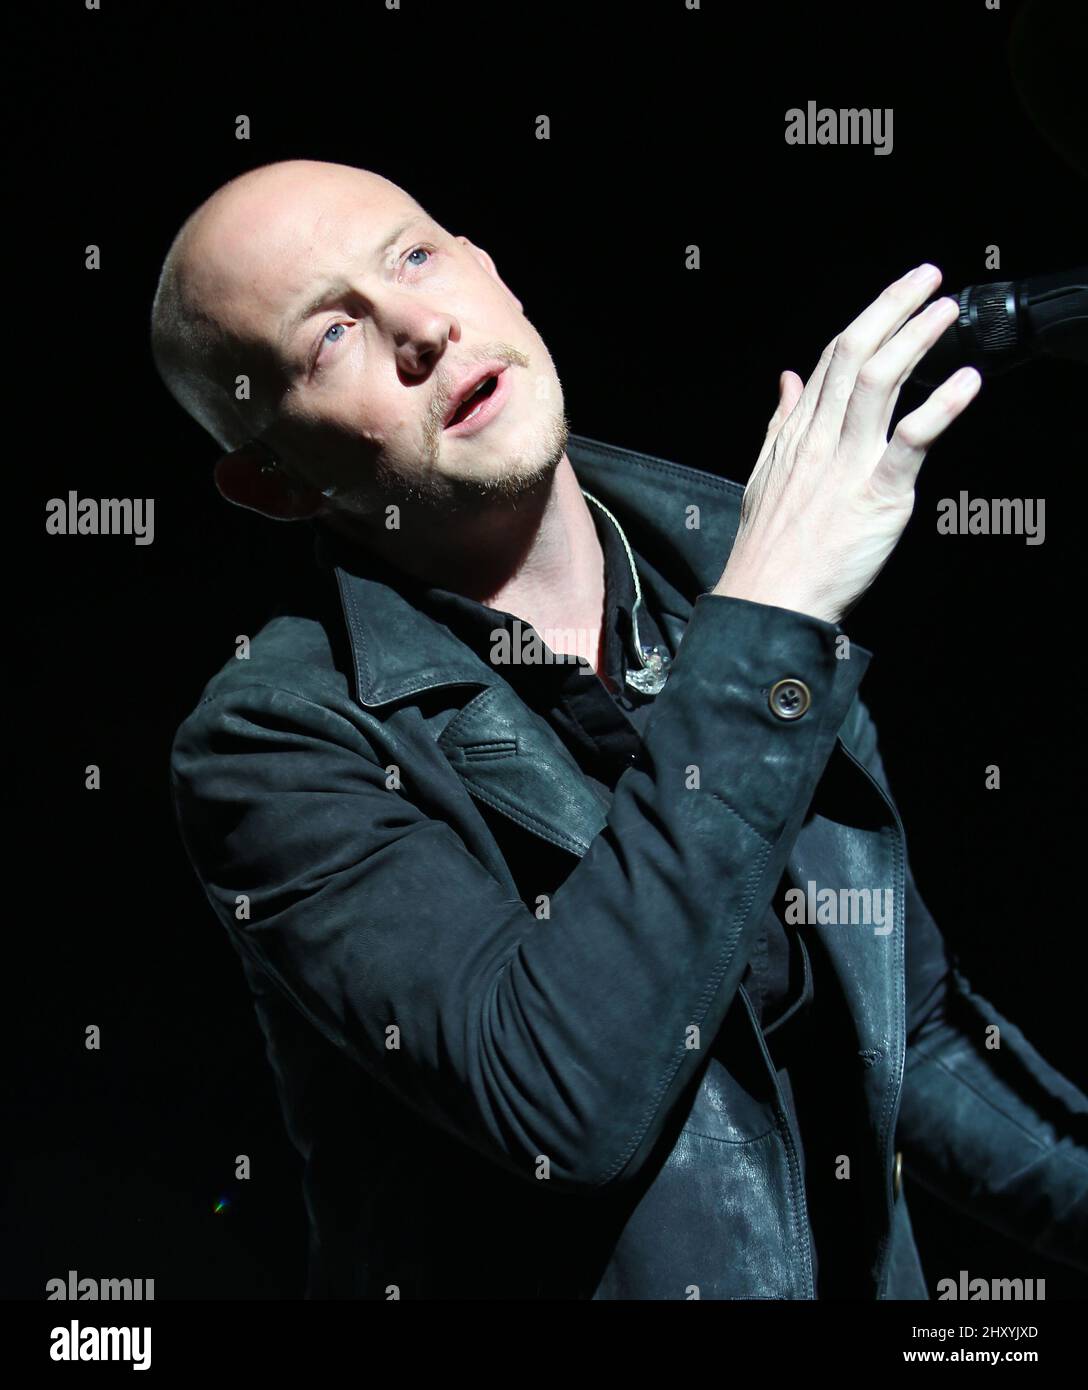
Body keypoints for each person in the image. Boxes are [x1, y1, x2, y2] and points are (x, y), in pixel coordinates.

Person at [156, 159, 1088, 1299]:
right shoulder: (273, 742)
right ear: (274, 482)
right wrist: (766, 627)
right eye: (329, 338)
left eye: (413, 256)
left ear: (486, 269)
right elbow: (560, 1099)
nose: (422, 327)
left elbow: (908, 1031)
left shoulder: (728, 568)